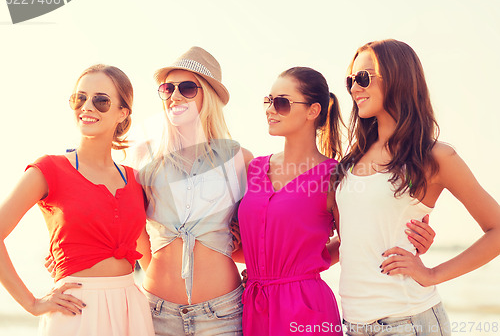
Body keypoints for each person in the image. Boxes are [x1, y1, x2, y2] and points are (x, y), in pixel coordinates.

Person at [237, 66, 436, 336]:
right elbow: (246, 243)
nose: (270, 109)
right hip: (254, 304)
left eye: (281, 103)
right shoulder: (254, 169)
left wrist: (413, 239)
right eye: (268, 101)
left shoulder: (336, 176)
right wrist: (260, 268)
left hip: (304, 308)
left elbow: (354, 241)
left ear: (313, 111)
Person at [335, 39, 500, 336]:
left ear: (398, 78)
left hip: (408, 322)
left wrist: (431, 273)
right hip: (353, 324)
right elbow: (352, 237)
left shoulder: (436, 157)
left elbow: (497, 229)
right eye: (351, 80)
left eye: (363, 78)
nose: (354, 88)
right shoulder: (350, 161)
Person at [0, 64, 155, 336]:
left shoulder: (136, 180)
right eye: (79, 98)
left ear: (123, 112)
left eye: (101, 100)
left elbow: (150, 259)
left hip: (132, 309)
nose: (87, 107)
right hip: (75, 311)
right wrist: (32, 303)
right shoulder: (48, 170)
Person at [137, 47, 253, 336]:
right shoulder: (143, 156)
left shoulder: (240, 159)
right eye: (167, 89)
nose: (175, 96)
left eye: (187, 88)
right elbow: (132, 229)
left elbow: (257, 229)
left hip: (223, 312)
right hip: (155, 312)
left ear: (207, 96)